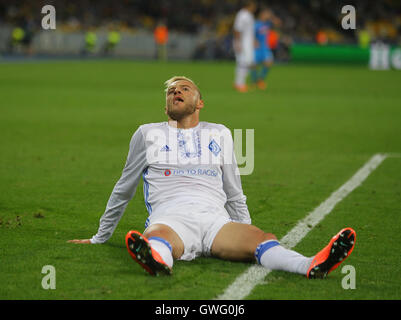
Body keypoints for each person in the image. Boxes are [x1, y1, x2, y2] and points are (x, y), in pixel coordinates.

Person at [68, 76, 356, 279]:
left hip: (216, 221)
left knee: (262, 239)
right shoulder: (147, 134)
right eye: (170, 92)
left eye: (184, 88)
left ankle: (310, 264)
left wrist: (244, 229)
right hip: (171, 217)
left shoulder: (219, 132)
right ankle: (156, 261)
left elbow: (234, 191)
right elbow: (124, 188)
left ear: (200, 102)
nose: (175, 92)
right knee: (156, 238)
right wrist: (100, 237)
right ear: (165, 106)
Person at [251, 7, 281, 90]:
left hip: (265, 47)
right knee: (253, 65)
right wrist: (254, 40)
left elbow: (278, 23)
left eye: (268, 14)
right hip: (257, 47)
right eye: (265, 14)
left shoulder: (268, 23)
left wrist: (272, 17)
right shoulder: (256, 24)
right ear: (261, 14)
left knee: (268, 62)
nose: (266, 15)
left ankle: (260, 80)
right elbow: (250, 33)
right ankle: (254, 81)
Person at [233, 1, 257, 93]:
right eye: (253, 5)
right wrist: (238, 43)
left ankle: (239, 83)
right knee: (242, 63)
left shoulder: (249, 15)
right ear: (249, 5)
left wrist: (253, 40)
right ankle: (239, 84)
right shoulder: (242, 15)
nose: (255, 8)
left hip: (248, 43)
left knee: (247, 62)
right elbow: (237, 29)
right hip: (242, 42)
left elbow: (249, 30)